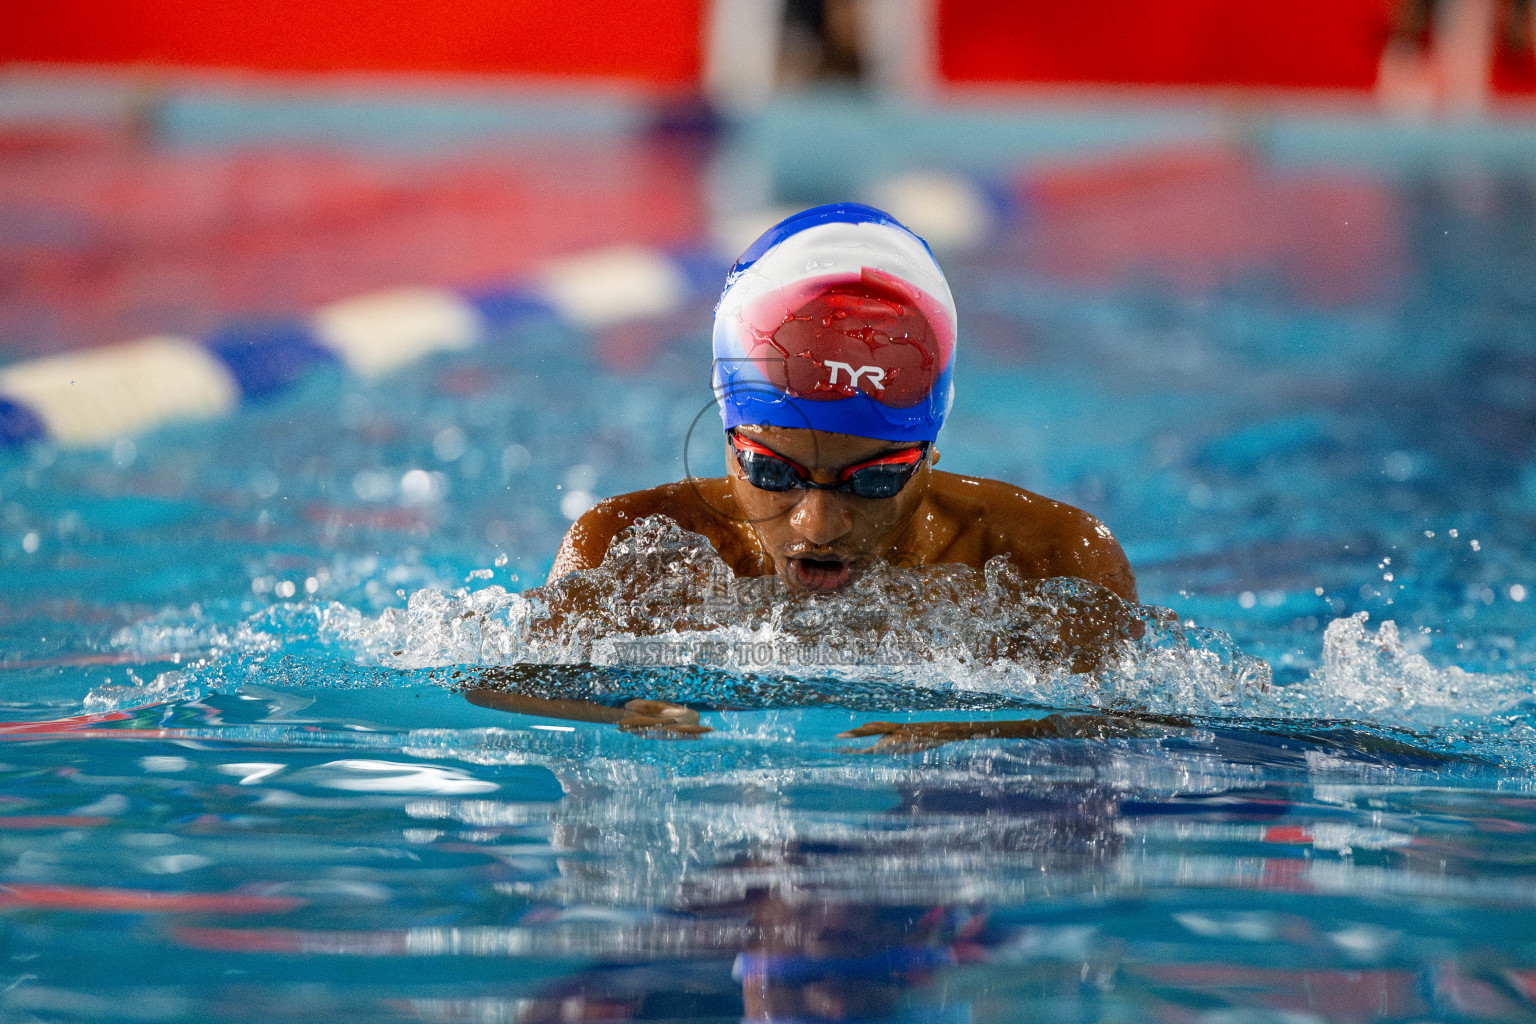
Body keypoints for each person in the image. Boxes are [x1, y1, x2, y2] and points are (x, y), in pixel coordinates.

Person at [469, 203, 1139, 744]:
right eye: (771, 471)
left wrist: (993, 734)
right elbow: (499, 682)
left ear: (931, 449)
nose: (816, 524)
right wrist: (616, 716)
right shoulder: (630, 550)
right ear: (730, 443)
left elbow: (1138, 726)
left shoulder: (1051, 564)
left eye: (872, 480)